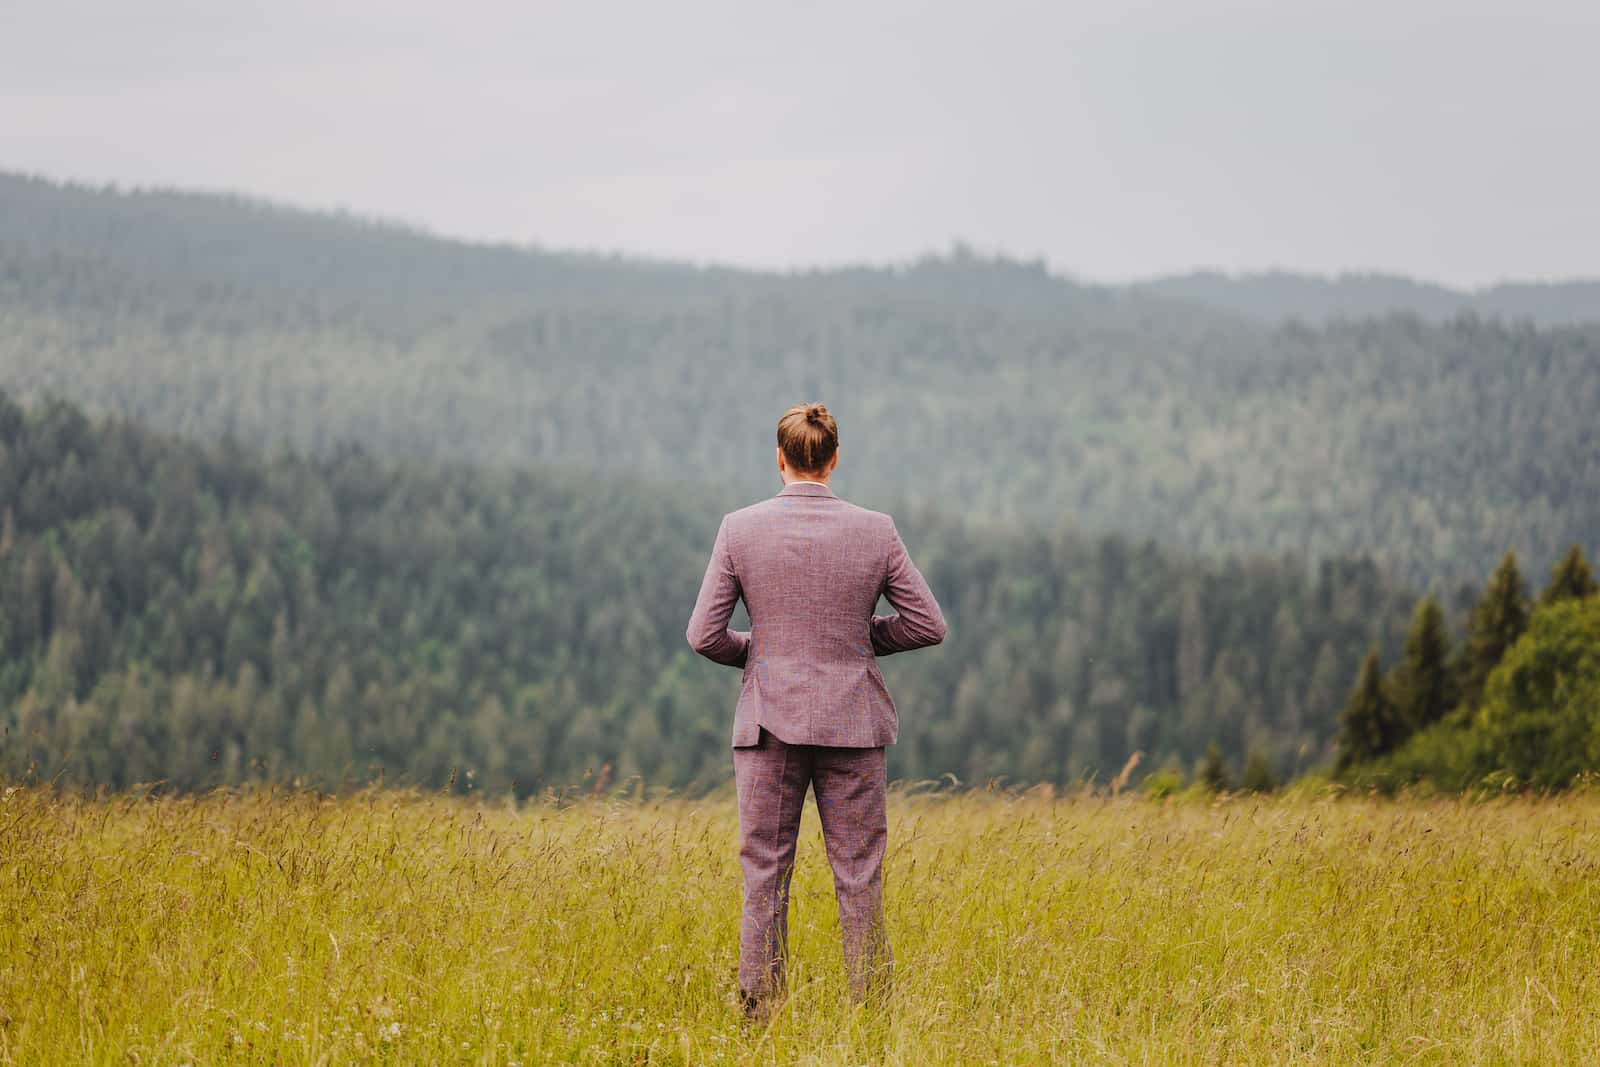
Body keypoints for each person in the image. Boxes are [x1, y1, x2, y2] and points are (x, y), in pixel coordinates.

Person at [686, 402, 947, 1022]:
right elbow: (927, 624)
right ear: (833, 459)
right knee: (859, 876)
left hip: (767, 724)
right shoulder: (876, 530)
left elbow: (704, 635)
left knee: (765, 873)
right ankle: (872, 1016)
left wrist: (761, 651)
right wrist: (857, 641)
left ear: (780, 459)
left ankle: (759, 1016)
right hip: (853, 722)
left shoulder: (739, 529)